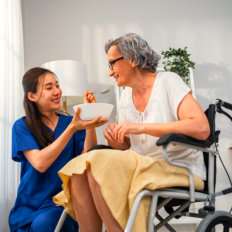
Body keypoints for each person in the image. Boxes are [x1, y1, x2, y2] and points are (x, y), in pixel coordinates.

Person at [53, 33, 210, 232]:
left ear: (132, 59)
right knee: (80, 168)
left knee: (96, 163)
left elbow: (201, 128)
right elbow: (125, 147)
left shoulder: (168, 81)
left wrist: (140, 127)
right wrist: (115, 139)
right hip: (141, 165)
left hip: (178, 168)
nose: (110, 73)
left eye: (112, 64)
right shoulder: (127, 96)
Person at [8, 67, 107, 232]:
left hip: (62, 201)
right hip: (29, 206)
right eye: (49, 88)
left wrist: (89, 120)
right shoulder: (22, 126)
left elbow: (87, 158)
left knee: (47, 223)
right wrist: (72, 129)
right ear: (32, 96)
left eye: (57, 85)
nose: (57, 92)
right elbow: (40, 163)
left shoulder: (71, 122)